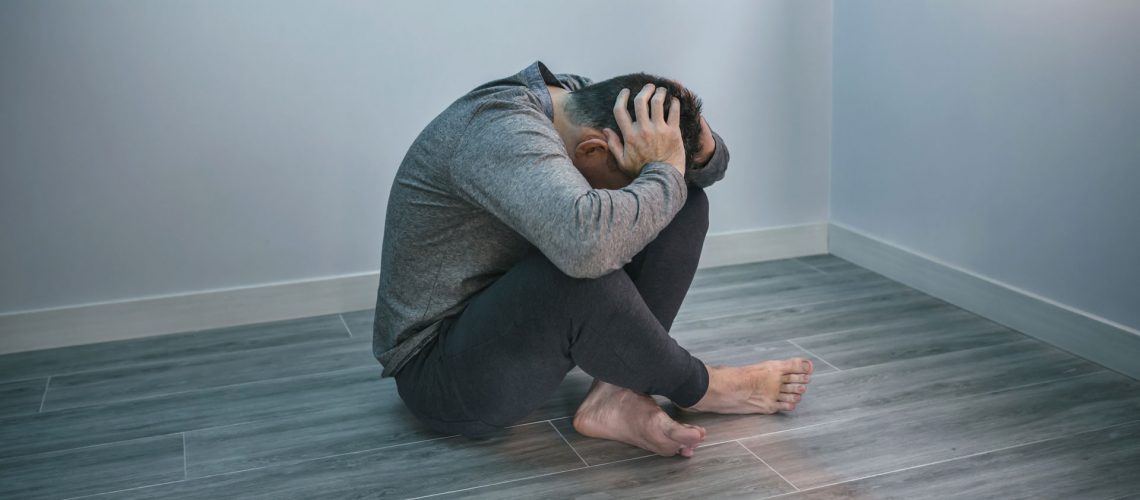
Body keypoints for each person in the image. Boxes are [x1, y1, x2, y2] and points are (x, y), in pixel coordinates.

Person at [373, 62, 814, 458]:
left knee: (684, 203)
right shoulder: (500, 133)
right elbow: (587, 251)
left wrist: (698, 142)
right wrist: (662, 174)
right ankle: (700, 387)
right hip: (439, 372)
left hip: (508, 323)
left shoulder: (582, 102)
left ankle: (615, 395)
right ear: (591, 152)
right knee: (582, 269)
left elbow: (702, 175)